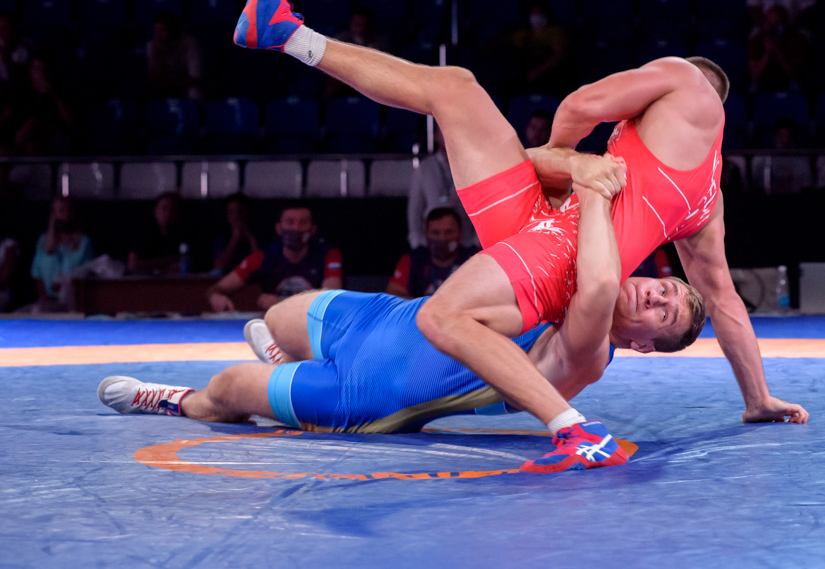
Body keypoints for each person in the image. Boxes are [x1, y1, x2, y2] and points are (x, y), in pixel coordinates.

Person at [231, 0, 807, 471]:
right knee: (455, 89)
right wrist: (757, 399)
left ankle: (570, 429)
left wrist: (562, 165)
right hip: (551, 231)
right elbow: (724, 301)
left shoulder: (685, 82)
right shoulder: (707, 199)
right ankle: (286, 32)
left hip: (560, 257)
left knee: (445, 315)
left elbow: (579, 106)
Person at [97, 180, 692, 474]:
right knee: (277, 315)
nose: (655, 293)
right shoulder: (572, 272)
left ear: (643, 344)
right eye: (665, 287)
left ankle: (176, 400)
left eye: (663, 312)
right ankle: (287, 363)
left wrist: (595, 190)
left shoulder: (588, 351)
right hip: (382, 316)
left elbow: (600, 284)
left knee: (227, 388)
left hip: (367, 393)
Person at [207, 203, 341, 312]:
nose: (296, 228)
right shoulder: (263, 258)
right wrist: (216, 296)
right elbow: (216, 289)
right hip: (275, 328)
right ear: (279, 228)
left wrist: (282, 304)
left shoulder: (328, 255)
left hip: (314, 327)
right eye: (290, 222)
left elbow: (330, 301)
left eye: (303, 223)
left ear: (312, 230)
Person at [406, 125, 477, 250]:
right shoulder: (424, 168)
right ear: (435, 136)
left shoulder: (472, 166)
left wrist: (476, 242)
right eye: (444, 131)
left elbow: (481, 204)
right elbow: (415, 208)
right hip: (431, 244)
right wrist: (416, 243)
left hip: (466, 241)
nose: (449, 136)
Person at [388, 206, 477, 300]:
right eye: (435, 232)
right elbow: (393, 296)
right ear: (426, 234)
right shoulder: (412, 259)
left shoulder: (474, 260)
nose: (442, 238)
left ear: (460, 233)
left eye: (448, 232)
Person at [29, 197, 94, 312]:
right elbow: (37, 272)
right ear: (54, 215)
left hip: (73, 302)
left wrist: (65, 288)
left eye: (69, 211)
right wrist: (44, 296)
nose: (66, 216)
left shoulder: (84, 243)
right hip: (47, 301)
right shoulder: (43, 242)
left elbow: (87, 272)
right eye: (61, 211)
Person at [508, 1, 573, 95]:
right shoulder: (523, 33)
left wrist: (538, 71)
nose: (536, 16)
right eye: (534, 13)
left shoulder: (555, 32)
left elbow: (559, 55)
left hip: (549, 74)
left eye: (539, 13)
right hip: (527, 73)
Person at [748, 5, 809, 93]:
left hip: (788, 81)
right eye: (770, 23)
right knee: (753, 88)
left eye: (777, 23)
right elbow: (755, 74)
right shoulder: (757, 40)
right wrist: (767, 54)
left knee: (797, 86)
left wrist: (778, 52)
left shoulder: (796, 40)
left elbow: (795, 75)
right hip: (765, 81)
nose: (774, 28)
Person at [128, 192, 190, 276]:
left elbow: (188, 265)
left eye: (173, 210)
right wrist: (167, 262)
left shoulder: (186, 235)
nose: (168, 214)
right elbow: (133, 264)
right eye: (164, 209)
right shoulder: (145, 233)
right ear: (156, 211)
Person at [146, 11, 203, 100]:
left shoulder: (189, 43)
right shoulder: (152, 46)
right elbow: (154, 79)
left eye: (162, 30)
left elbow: (195, 77)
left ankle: (193, 108)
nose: (158, 35)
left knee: (194, 91)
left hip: (183, 87)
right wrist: (158, 53)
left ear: (173, 30)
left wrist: (171, 85)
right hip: (164, 88)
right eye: (156, 31)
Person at [750, 118, 814, 194]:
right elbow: (756, 187)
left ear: (793, 138)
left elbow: (806, 187)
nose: (784, 140)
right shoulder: (761, 160)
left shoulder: (802, 161)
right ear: (775, 136)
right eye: (781, 136)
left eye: (788, 136)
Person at [211, 193, 260, 275]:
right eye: (231, 212)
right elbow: (219, 266)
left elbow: (263, 265)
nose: (236, 216)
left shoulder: (259, 235)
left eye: (240, 211)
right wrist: (234, 239)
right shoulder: (223, 238)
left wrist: (251, 239)